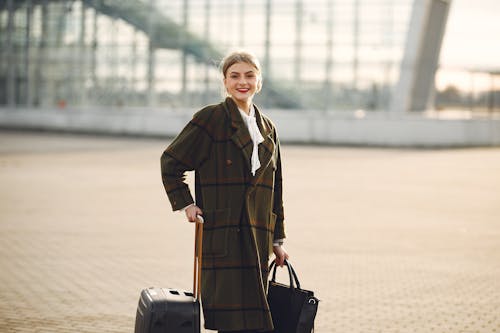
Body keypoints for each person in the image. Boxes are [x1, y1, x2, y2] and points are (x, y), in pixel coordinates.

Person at [160, 50, 289, 333]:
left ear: (259, 81)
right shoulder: (211, 118)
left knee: (255, 320)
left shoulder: (268, 128)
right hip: (223, 233)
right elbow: (171, 162)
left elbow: (275, 189)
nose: (242, 82)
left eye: (249, 75)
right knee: (231, 322)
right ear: (225, 82)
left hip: (258, 237)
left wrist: (277, 239)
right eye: (234, 76)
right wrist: (187, 204)